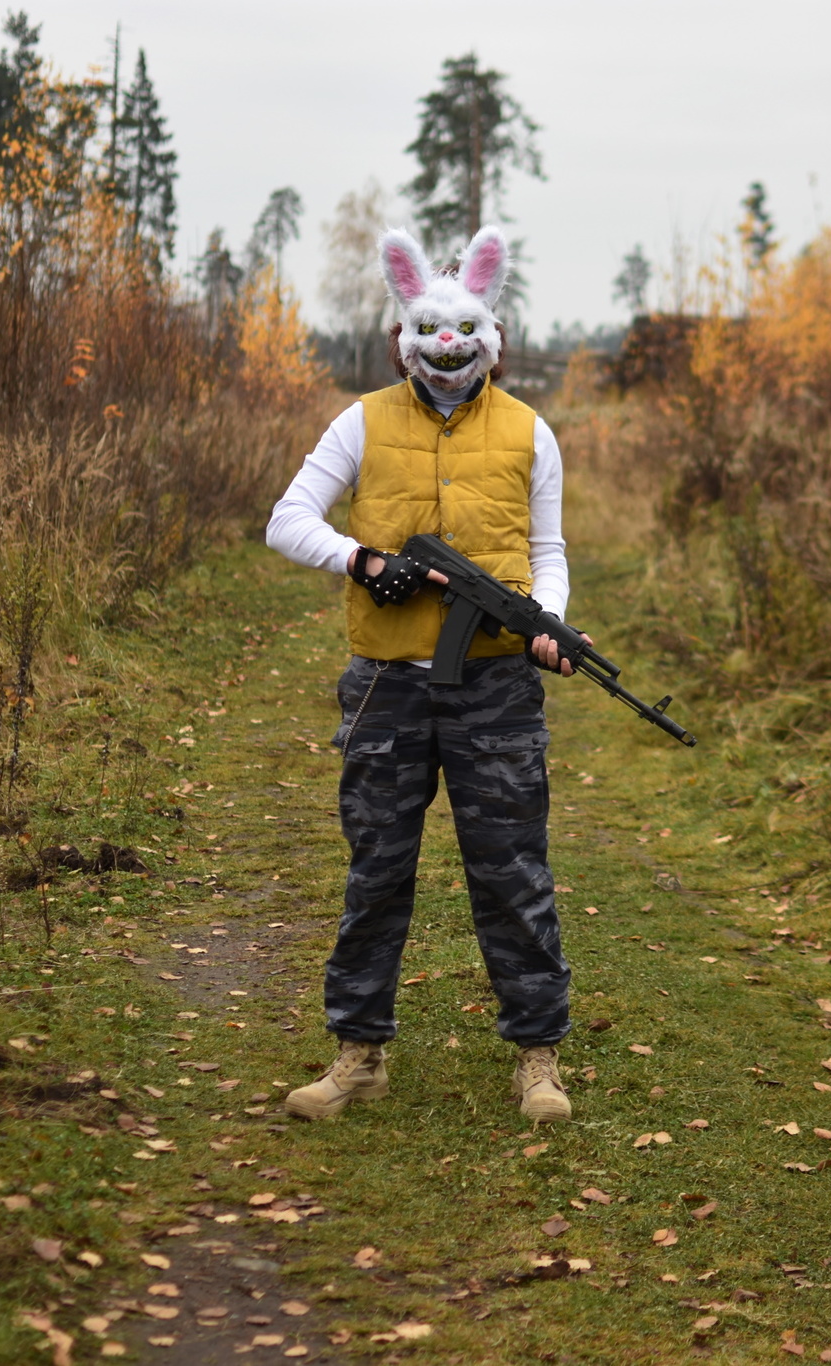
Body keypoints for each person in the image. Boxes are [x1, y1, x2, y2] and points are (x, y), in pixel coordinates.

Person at [264, 225, 580, 1124]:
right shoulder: (360, 420)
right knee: (377, 874)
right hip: (387, 688)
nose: (450, 349)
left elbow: (547, 549)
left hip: (497, 689)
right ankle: (357, 1056)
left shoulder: (529, 430)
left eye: (467, 332)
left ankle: (539, 1060)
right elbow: (289, 520)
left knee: (513, 875)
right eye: (432, 333)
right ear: (407, 331)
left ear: (490, 334)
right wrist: (363, 561)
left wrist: (547, 622)